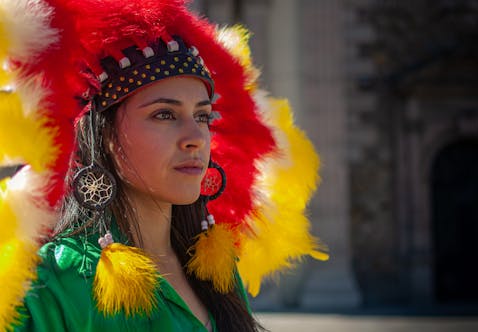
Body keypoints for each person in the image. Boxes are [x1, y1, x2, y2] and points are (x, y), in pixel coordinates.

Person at [0, 0, 328, 331]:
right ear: (104, 136)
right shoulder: (49, 285)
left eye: (203, 116)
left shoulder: (218, 272)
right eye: (164, 114)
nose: (195, 138)